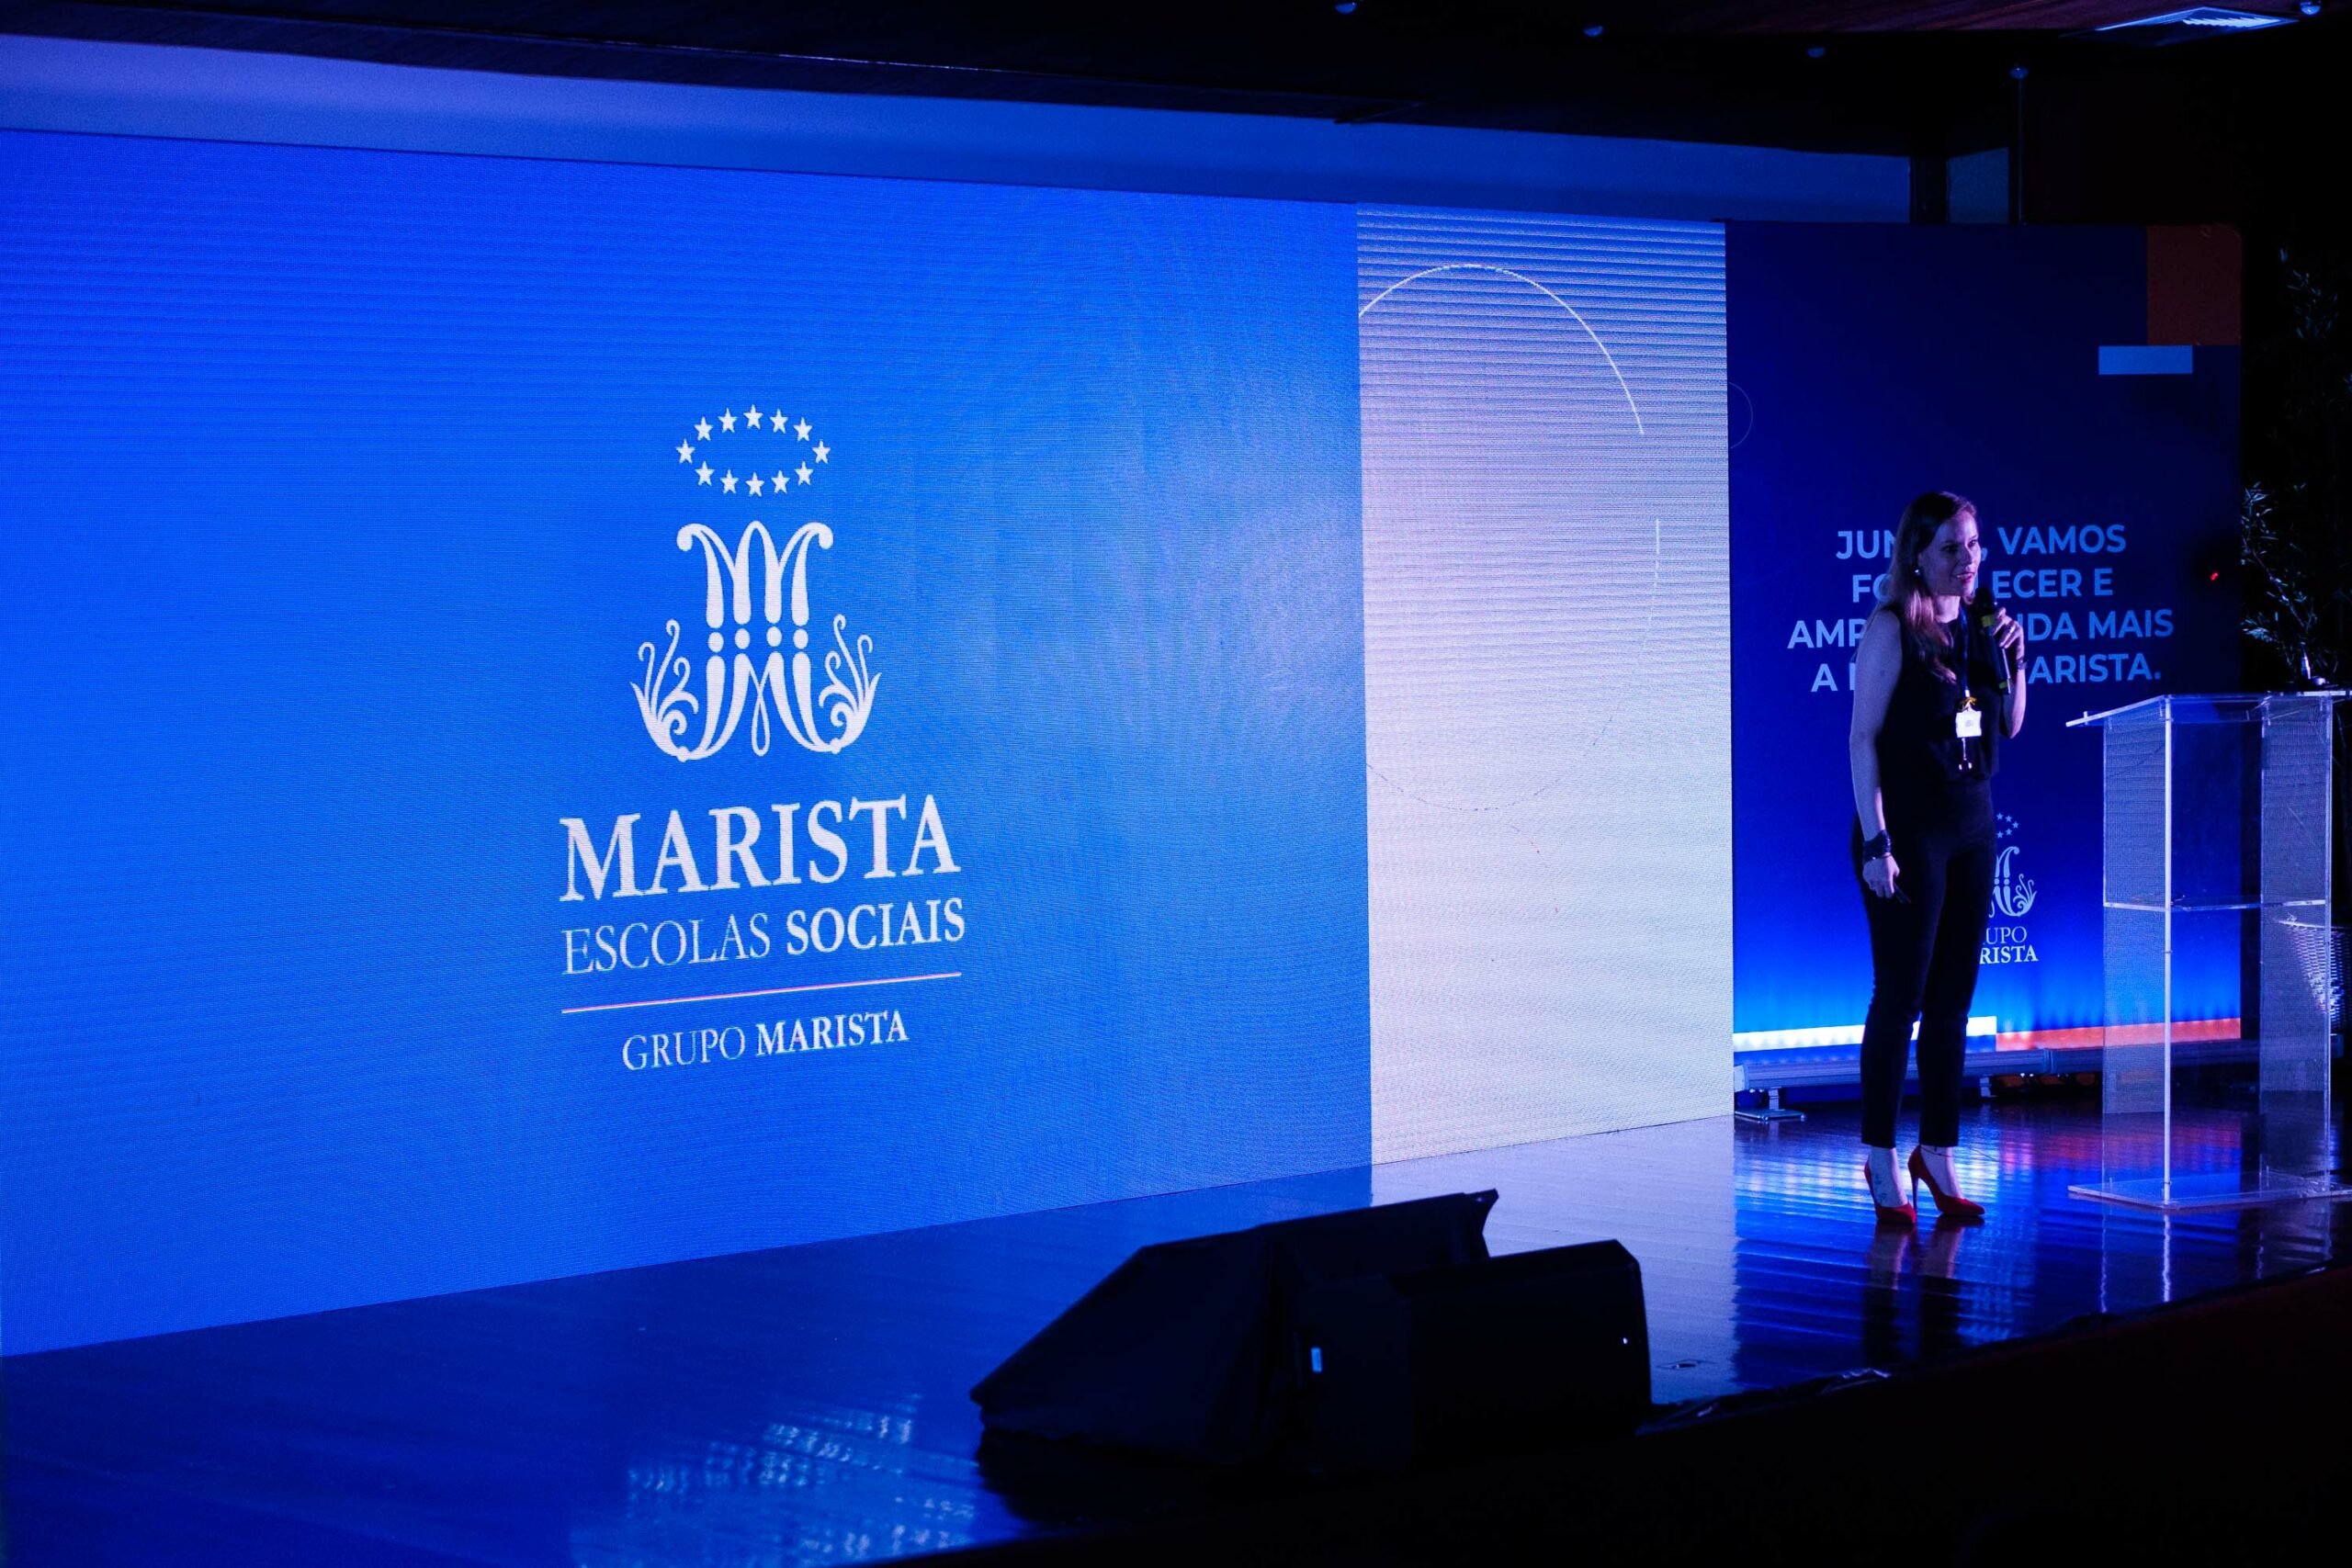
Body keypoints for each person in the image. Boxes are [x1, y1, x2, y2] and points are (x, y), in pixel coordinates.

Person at [1848, 491, 2026, 1224]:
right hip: (1908, 833)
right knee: (1901, 998)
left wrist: (2017, 658)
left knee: (1954, 1002)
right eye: (1952, 547)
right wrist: (1876, 840)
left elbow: (2010, 725)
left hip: (1972, 827)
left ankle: (1938, 1151)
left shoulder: (1984, 625)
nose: (1968, 559)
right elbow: (1862, 738)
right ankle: (1879, 1154)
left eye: (1974, 544)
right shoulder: (1892, 627)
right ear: (1918, 555)